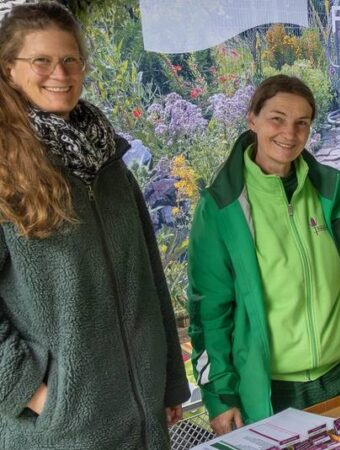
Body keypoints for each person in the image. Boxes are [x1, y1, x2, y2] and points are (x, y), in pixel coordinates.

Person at [0, 2, 189, 449]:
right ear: (9, 70)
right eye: (41, 61)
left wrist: (168, 381)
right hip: (59, 431)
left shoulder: (107, 162)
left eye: (70, 59)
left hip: (141, 415)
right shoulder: (6, 169)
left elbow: (149, 277)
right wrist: (29, 390)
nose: (59, 73)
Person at [188, 74, 340, 435]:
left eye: (302, 123)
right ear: (252, 119)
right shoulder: (221, 207)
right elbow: (209, 314)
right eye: (276, 118)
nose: (289, 133)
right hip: (272, 391)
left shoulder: (330, 187)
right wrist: (220, 397)